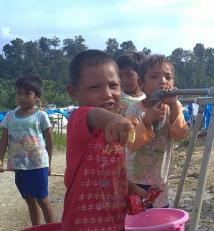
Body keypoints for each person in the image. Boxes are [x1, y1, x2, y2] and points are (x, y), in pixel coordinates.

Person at [62, 49, 146, 231]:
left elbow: (110, 171)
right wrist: (114, 119)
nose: (107, 94)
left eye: (113, 86)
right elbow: (93, 114)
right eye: (94, 87)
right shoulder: (79, 118)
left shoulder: (114, 127)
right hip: (83, 223)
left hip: (115, 220)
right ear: (73, 92)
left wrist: (129, 186)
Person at [126, 54, 189, 208]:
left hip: (160, 178)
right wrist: (147, 120)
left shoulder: (175, 106)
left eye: (168, 77)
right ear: (142, 84)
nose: (162, 81)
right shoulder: (135, 111)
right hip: (136, 178)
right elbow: (132, 143)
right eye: (154, 77)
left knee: (160, 212)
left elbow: (180, 134)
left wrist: (174, 107)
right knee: (138, 213)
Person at [0, 75, 55, 226]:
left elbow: (49, 140)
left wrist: (49, 162)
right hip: (19, 165)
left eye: (27, 93)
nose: (22, 97)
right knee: (29, 200)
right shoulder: (10, 116)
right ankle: (36, 228)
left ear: (37, 97)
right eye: (18, 93)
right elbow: (3, 139)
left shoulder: (40, 115)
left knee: (42, 199)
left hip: (37, 165)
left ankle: (53, 228)